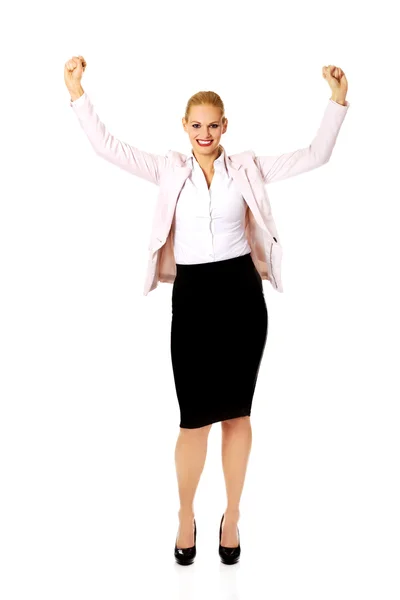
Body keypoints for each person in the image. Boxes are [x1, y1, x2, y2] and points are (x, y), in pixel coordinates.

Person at [64, 56, 349, 566]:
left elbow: (316, 154)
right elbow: (107, 147)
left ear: (224, 127)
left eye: (213, 125)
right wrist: (77, 91)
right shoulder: (168, 168)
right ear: (184, 127)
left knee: (237, 415)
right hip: (193, 298)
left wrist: (336, 101)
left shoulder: (247, 166)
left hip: (241, 295)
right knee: (194, 418)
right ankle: (185, 515)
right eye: (196, 125)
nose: (204, 132)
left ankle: (233, 517)